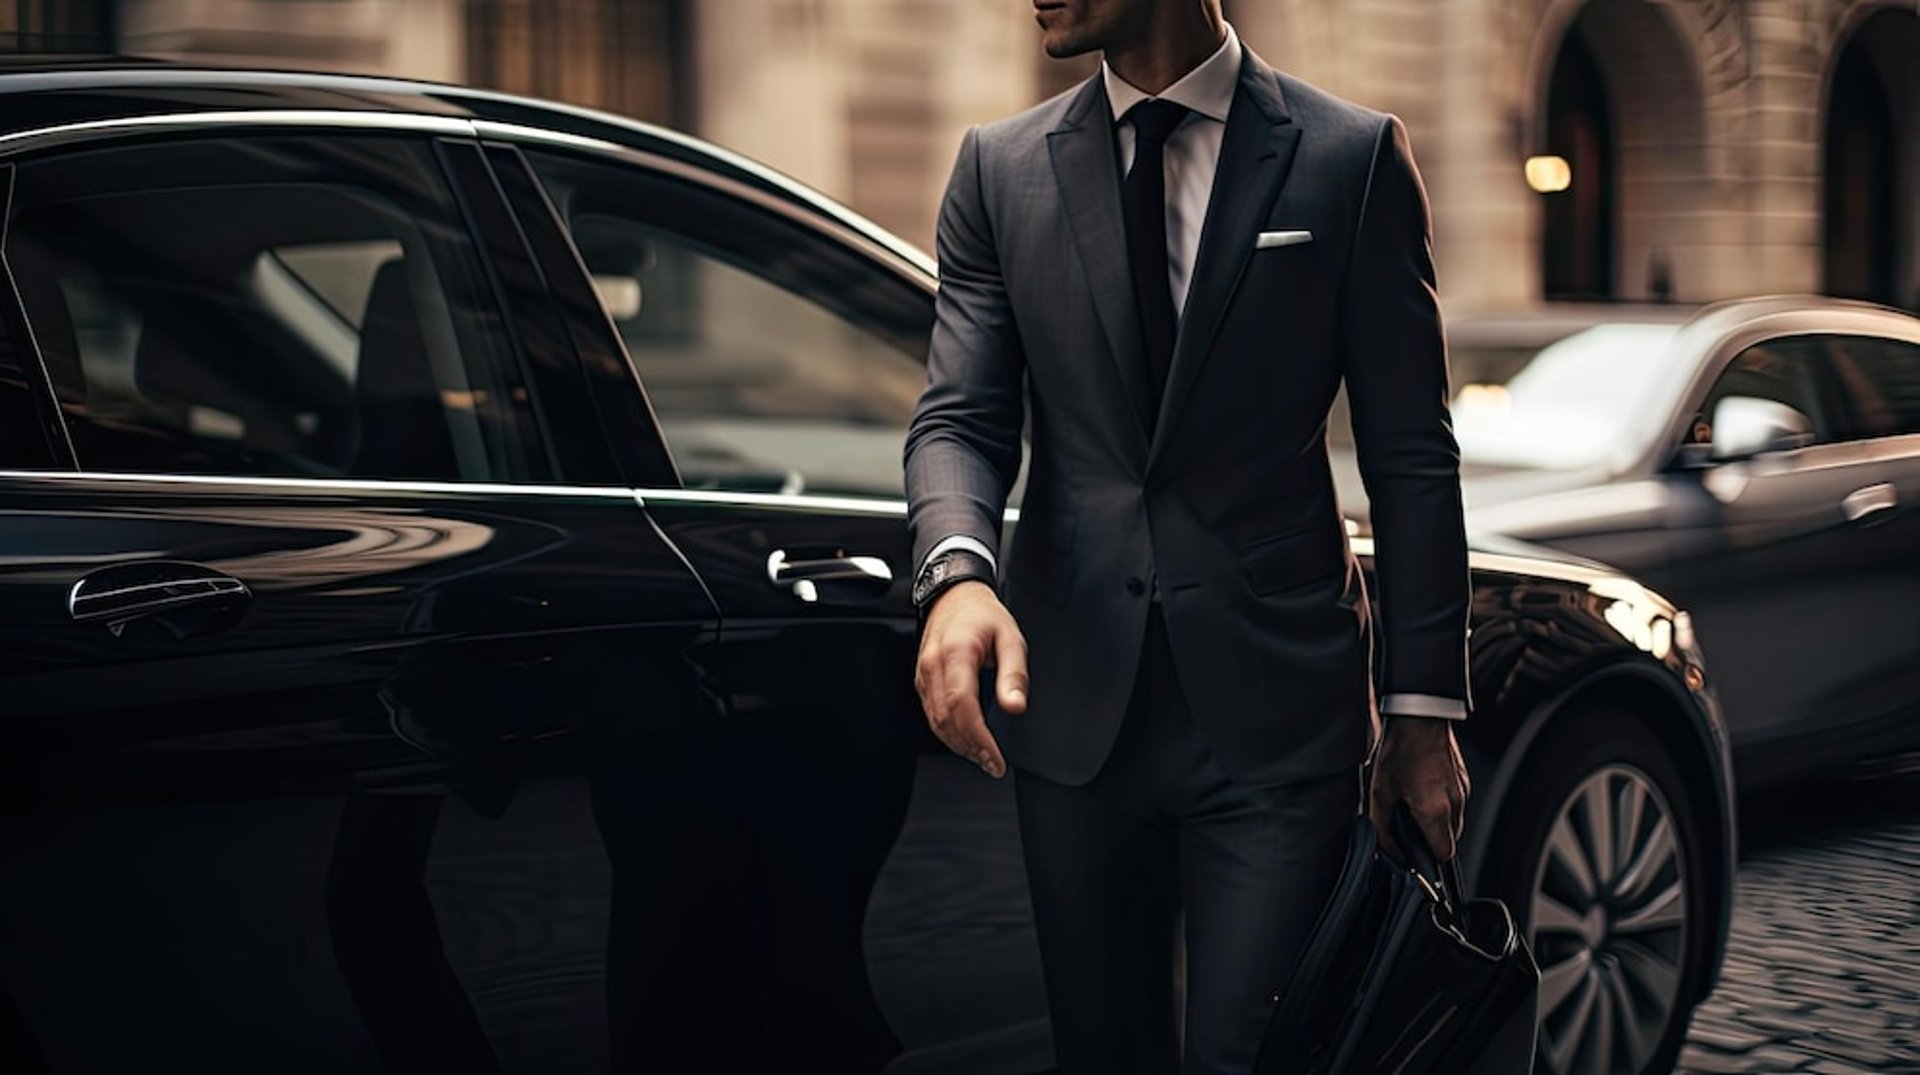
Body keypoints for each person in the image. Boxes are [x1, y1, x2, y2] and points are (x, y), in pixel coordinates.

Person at [902, 2, 1473, 1072]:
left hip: (1278, 722)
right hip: (1073, 717)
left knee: (1252, 1059)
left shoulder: (1349, 159)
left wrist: (1422, 710)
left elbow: (1411, 455)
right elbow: (959, 419)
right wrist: (956, 576)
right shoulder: (997, 168)